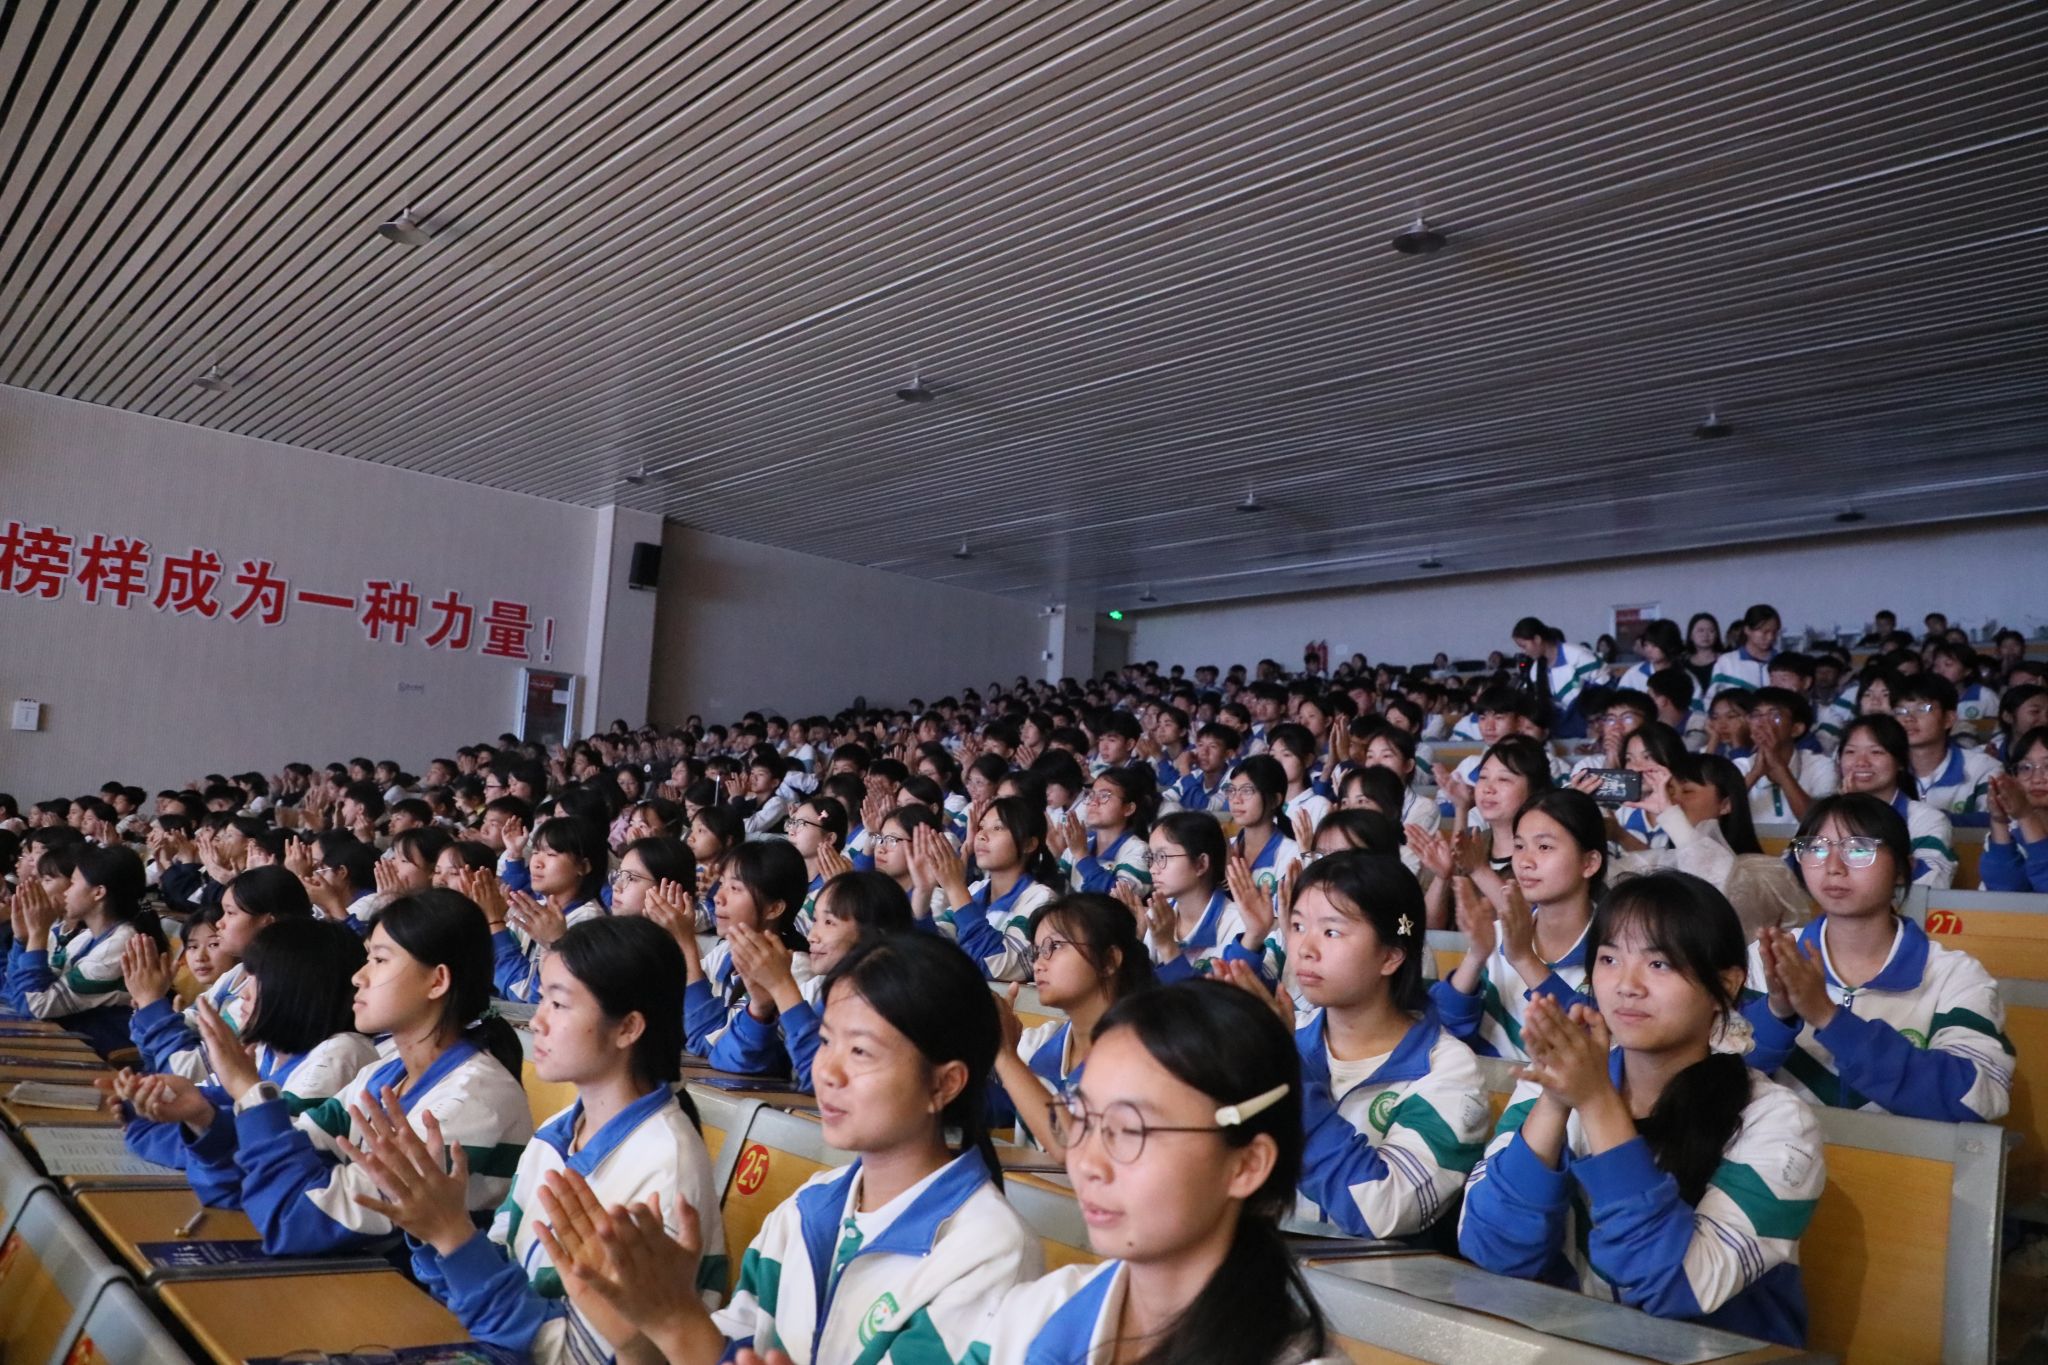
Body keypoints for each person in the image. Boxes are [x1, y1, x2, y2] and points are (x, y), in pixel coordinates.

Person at [532, 934, 1043, 1364]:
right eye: (826, 1041)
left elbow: (705, 1347)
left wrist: (678, 1322)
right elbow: (727, 1345)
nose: (827, 1071)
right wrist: (636, 1337)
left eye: (860, 1051)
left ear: (944, 1084)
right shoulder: (808, 1207)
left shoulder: (987, 1250)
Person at [1460, 872, 1825, 1347]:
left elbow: (1676, 1287)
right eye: (1609, 959)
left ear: (1726, 984)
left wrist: (1595, 1102)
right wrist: (1555, 1100)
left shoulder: (1777, 1121)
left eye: (1659, 964)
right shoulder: (1556, 1082)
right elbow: (1491, 1248)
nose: (1627, 986)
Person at [357, 918, 727, 1365]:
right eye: (542, 1000)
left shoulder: (664, 1166)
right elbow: (491, 1285)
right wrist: (435, 1230)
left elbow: (578, 1355)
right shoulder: (557, 1133)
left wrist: (453, 1237)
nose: (538, 1021)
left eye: (559, 1003)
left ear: (628, 1028)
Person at [969, 982, 1336, 1365]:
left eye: (1131, 1130)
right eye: (1082, 1119)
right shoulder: (1038, 1312)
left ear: (1247, 1165)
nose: (1088, 1163)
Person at [163, 889, 534, 1254]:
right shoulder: (383, 1074)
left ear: (437, 981)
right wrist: (204, 1119)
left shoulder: (474, 1100)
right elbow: (259, 1171)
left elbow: (301, 1220)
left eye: (380, 960)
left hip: (402, 1289)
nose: (359, 977)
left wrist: (249, 1092)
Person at [1743, 795, 2012, 1122]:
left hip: (1906, 1154)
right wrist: (1777, 1012)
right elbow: (1719, 1076)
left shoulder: (1954, 975)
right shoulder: (1768, 958)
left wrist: (1829, 1018)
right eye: (1816, 848)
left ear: (1902, 869)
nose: (1833, 866)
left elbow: (1974, 1100)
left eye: (1858, 849)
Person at [1285, 853, 1488, 1243]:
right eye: (1297, 926)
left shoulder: (1448, 1070)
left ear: (1391, 955)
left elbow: (1381, 1210)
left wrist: (1285, 1068)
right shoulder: (1290, 1035)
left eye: (1331, 932)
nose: (1305, 948)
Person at [115, 919, 377, 1180]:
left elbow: (250, 1151)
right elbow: (202, 1108)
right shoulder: (265, 1049)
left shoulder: (341, 1053)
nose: (244, 994)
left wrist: (158, 1126)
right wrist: (150, 1107)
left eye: (258, 978)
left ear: (298, 987)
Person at [1429, 789, 1604, 1061]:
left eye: (1544, 847)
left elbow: (1595, 1046)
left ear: (1589, 863)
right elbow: (1444, 1030)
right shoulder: (1499, 933)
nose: (1525, 862)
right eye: (1519, 846)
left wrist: (1524, 959)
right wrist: (1476, 956)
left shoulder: (1612, 949)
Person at [718, 870, 916, 1090]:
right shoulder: (826, 991)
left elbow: (823, 1081)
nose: (812, 936)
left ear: (876, 934)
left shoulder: (888, 1002)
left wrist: (782, 986)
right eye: (814, 921)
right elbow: (731, 1061)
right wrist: (759, 1009)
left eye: (829, 922)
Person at [990, 893, 1156, 1154]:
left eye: (1055, 947)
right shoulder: (1039, 1041)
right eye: (1037, 951)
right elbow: (995, 1108)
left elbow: (1076, 1149)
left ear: (1109, 960)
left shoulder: (1145, 1054)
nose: (1039, 964)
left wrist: (1005, 1056)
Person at [5, 843, 164, 1055]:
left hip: (102, 1053)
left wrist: (37, 935)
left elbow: (34, 1004)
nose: (66, 892)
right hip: (69, 1040)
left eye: (72, 884)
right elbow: (15, 989)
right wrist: (22, 939)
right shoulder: (86, 937)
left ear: (98, 892)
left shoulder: (118, 947)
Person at [921, 798, 1061, 982]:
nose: (981, 835)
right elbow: (930, 949)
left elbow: (998, 967)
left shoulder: (1041, 899)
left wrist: (955, 888)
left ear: (1028, 844)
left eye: (997, 828)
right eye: (981, 827)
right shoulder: (975, 889)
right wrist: (923, 893)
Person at [489, 816, 608, 1002]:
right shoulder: (540, 907)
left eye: (551, 854)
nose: (537, 862)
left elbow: (526, 996)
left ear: (583, 867)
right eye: (536, 852)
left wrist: (494, 923)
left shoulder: (588, 923)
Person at [1834, 714, 1957, 888]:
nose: (1861, 762)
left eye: (1876, 752)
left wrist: (1860, 818)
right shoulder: (1827, 816)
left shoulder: (1927, 820)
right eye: (1850, 752)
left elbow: (1932, 883)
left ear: (1900, 762)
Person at [1895, 674, 2001, 821]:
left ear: (1949, 719)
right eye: (1900, 711)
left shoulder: (1983, 769)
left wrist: (1929, 821)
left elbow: (1995, 821)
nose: (1908, 718)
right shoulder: (1884, 769)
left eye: (1923, 708)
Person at [1984, 726, 2048, 892]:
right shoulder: (2012, 830)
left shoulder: (2022, 819)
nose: (2037, 779)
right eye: (2026, 767)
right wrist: (1999, 821)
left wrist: (2026, 816)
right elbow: (2004, 893)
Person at [1709, 604, 1782, 701]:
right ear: (1747, 630)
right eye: (1765, 632)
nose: (1770, 637)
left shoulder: (1783, 662)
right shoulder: (1727, 662)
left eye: (1774, 632)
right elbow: (1712, 699)